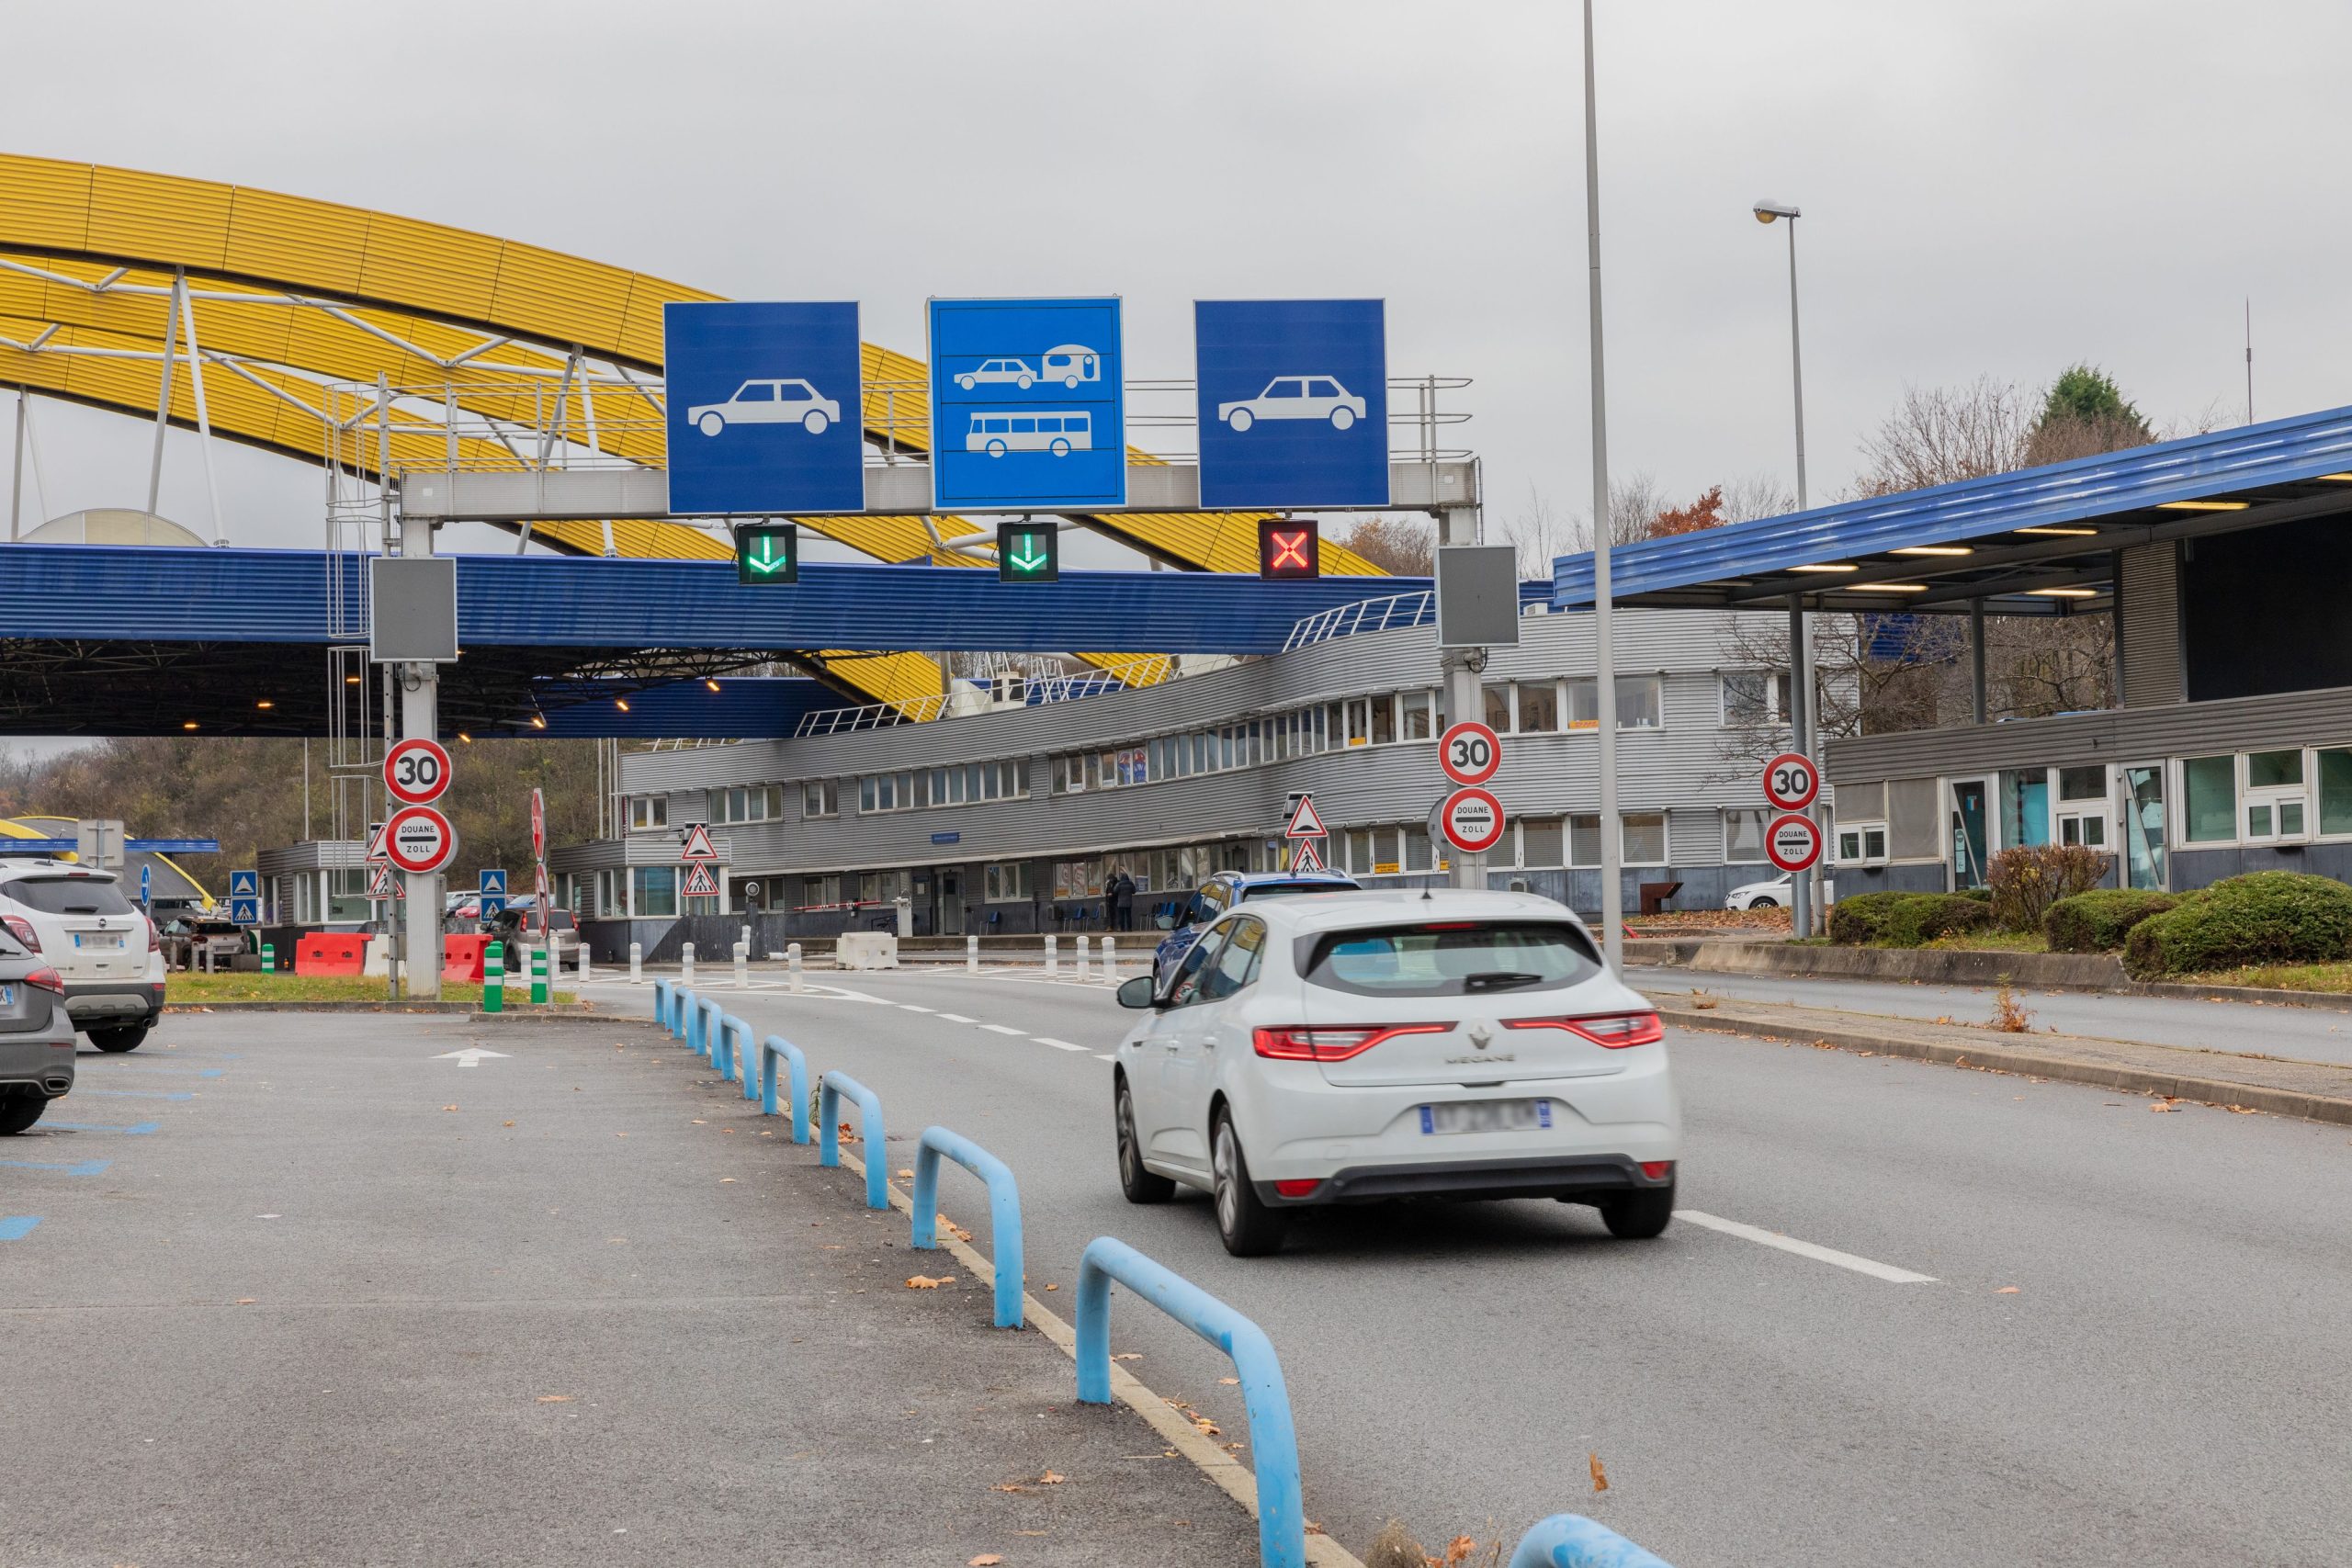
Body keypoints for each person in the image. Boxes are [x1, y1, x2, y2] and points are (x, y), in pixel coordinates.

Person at [1108, 867, 1136, 931]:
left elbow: (1115, 891)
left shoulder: (1119, 884)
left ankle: (1122, 928)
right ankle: (1129, 928)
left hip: (1121, 903)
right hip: (1128, 902)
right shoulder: (1130, 884)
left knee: (1121, 916)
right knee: (1128, 916)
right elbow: (1134, 891)